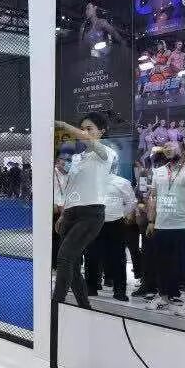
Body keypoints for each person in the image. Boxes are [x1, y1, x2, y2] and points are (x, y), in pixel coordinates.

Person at [53, 113, 116, 309]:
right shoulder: (77, 157)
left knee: (64, 258)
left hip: (91, 213)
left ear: (101, 132)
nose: (84, 132)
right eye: (82, 128)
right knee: (71, 263)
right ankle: (84, 305)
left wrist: (64, 124)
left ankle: (56, 304)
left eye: (89, 128)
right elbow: (72, 187)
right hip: (71, 213)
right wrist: (63, 214)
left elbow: (88, 140)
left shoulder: (106, 152)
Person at [145, 140, 185, 316]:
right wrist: (151, 221)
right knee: (162, 264)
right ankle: (164, 296)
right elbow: (153, 196)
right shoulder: (158, 171)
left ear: (184, 149)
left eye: (172, 145)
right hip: (162, 224)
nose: (167, 148)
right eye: (165, 146)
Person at [84, 162, 136, 302]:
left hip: (115, 224)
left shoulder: (122, 182)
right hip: (94, 224)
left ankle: (119, 291)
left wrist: (120, 214)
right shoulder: (90, 182)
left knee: (118, 258)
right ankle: (91, 287)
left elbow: (131, 202)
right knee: (91, 256)